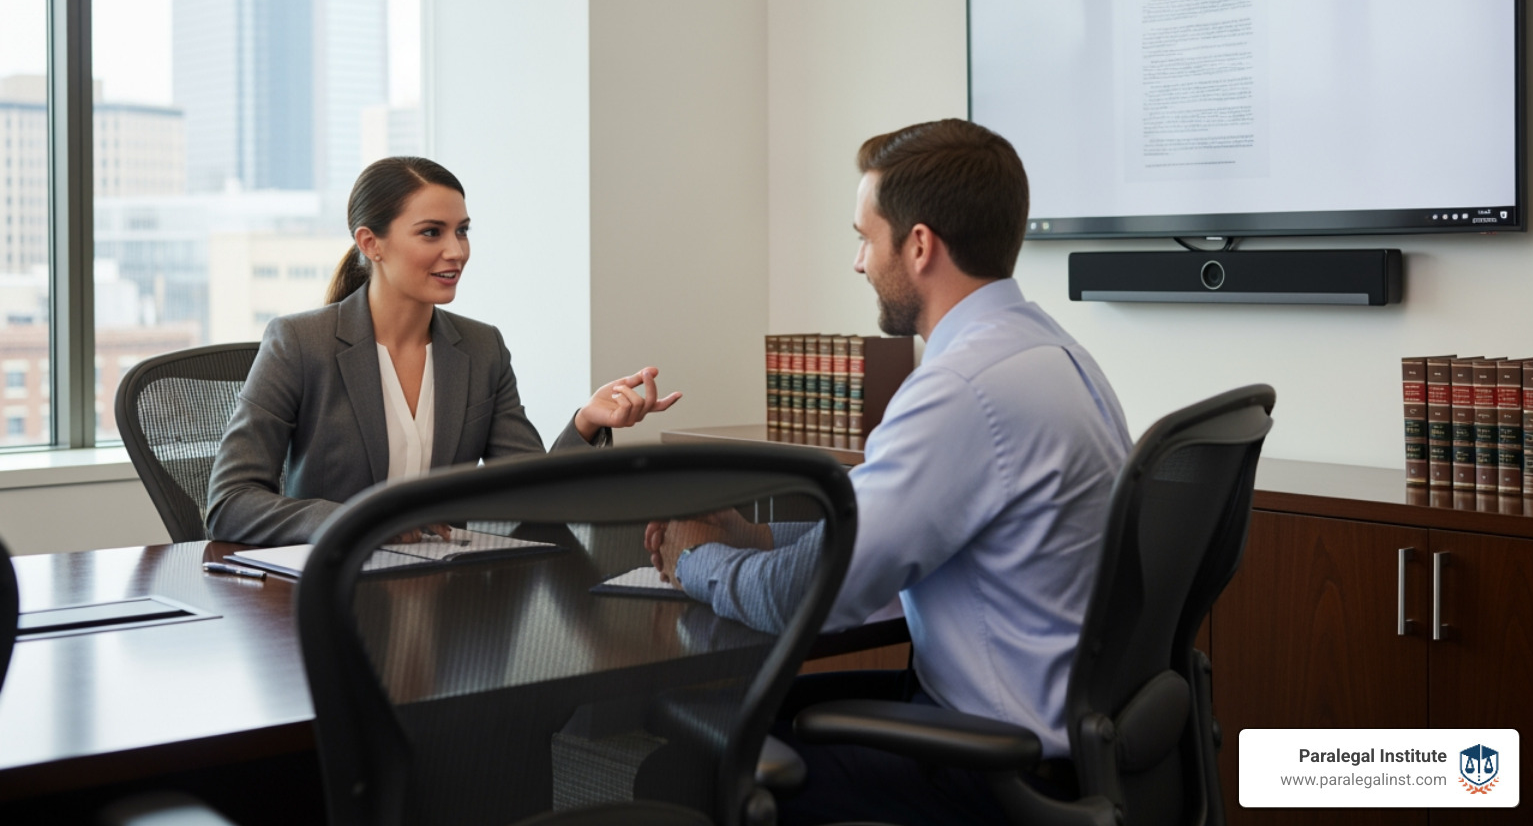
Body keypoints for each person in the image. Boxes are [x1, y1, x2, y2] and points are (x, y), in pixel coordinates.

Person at [646, 118, 1131, 826]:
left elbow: (796, 595)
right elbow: (875, 531)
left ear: (920, 245)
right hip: (1055, 738)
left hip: (994, 773)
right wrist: (754, 537)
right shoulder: (1052, 354)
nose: (858, 263)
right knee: (750, 714)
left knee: (684, 764)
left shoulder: (962, 390)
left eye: (865, 238)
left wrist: (694, 558)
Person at [206, 156, 680, 545]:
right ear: (371, 243)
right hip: (329, 588)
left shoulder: (482, 349)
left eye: (462, 230)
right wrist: (360, 521)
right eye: (432, 232)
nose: (457, 251)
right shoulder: (299, 342)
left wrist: (586, 422)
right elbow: (230, 503)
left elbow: (532, 494)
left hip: (445, 592)